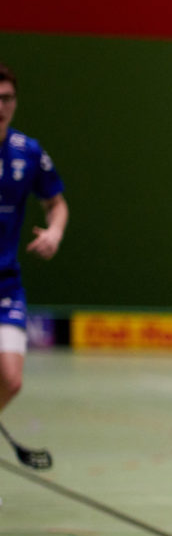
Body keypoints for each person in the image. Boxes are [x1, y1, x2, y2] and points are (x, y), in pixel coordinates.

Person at [0, 63, 67, 435]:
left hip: (6, 285)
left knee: (11, 381)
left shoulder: (28, 152)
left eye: (7, 98)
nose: (0, 107)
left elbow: (56, 203)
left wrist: (54, 233)